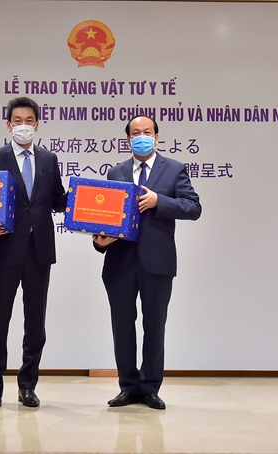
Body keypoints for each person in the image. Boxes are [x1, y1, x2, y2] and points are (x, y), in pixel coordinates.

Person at [93, 115, 201, 410]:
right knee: (122, 327)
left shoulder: (174, 169)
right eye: (136, 133)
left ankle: (151, 387)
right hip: (119, 263)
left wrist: (158, 201)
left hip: (158, 263)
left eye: (147, 132)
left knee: (155, 327)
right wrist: (98, 242)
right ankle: (128, 387)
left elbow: (193, 207)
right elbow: (104, 218)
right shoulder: (115, 172)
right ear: (128, 139)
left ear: (157, 137)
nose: (142, 136)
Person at [0, 97, 67, 408]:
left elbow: (57, 199)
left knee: (35, 323)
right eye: (18, 121)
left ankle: (27, 385)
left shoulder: (49, 159)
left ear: (37, 124)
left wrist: (86, 203)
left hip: (39, 252)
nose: (23, 126)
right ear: (8, 125)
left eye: (29, 120)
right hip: (4, 251)